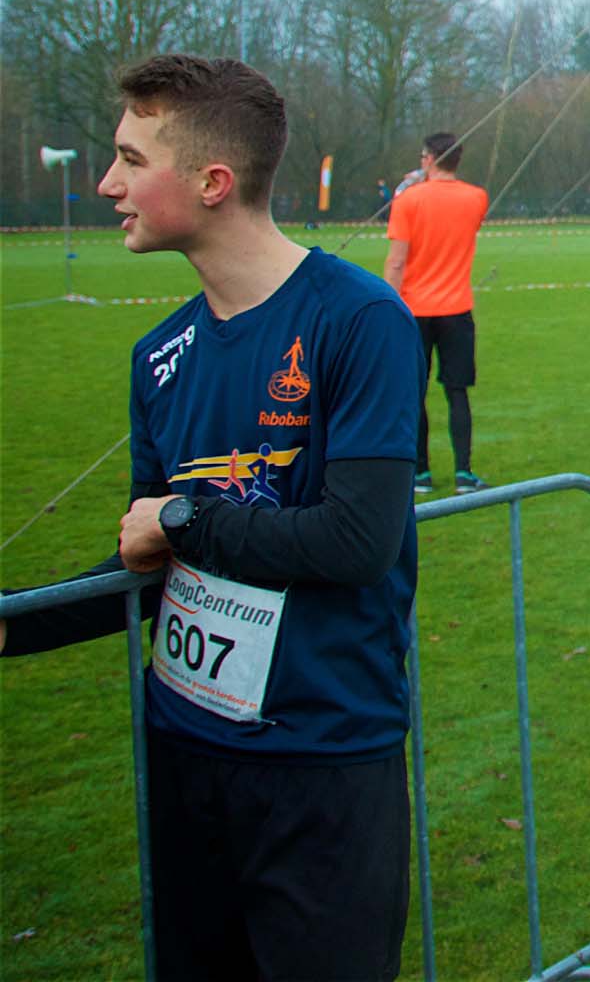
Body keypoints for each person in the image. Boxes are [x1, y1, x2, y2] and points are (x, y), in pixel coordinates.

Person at [0, 55, 420, 980]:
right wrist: (13, 624)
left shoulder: (360, 321)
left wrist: (186, 520)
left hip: (320, 759)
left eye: (129, 160)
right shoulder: (160, 356)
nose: (106, 184)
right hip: (184, 754)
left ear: (212, 182)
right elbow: (149, 562)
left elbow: (356, 542)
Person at [385, 131, 490, 494]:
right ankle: (464, 473)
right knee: (457, 392)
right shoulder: (476, 198)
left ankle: (421, 473)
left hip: (415, 310)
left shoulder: (408, 200)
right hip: (456, 310)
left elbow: (396, 261)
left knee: (415, 392)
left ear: (429, 159)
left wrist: (387, 306)